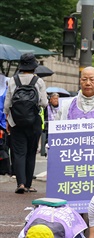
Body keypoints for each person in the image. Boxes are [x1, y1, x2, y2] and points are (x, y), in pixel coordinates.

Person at [4, 53, 48, 193]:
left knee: (18, 153)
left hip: (16, 122)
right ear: (34, 66)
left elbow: (7, 104)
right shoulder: (38, 81)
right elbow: (44, 103)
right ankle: (28, 184)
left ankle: (20, 184)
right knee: (30, 153)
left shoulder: (12, 80)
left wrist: (8, 119)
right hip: (34, 122)